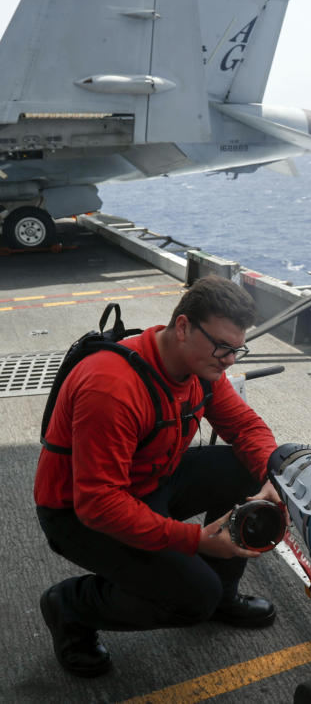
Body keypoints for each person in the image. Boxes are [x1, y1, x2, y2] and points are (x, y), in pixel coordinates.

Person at [35, 275, 284, 678]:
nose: (230, 361)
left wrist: (272, 475)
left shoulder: (200, 368)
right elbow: (98, 505)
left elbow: (246, 427)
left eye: (237, 349)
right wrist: (196, 541)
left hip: (149, 482)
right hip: (77, 513)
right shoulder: (111, 387)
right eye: (222, 346)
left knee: (244, 468)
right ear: (183, 326)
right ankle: (69, 606)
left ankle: (222, 595)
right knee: (192, 597)